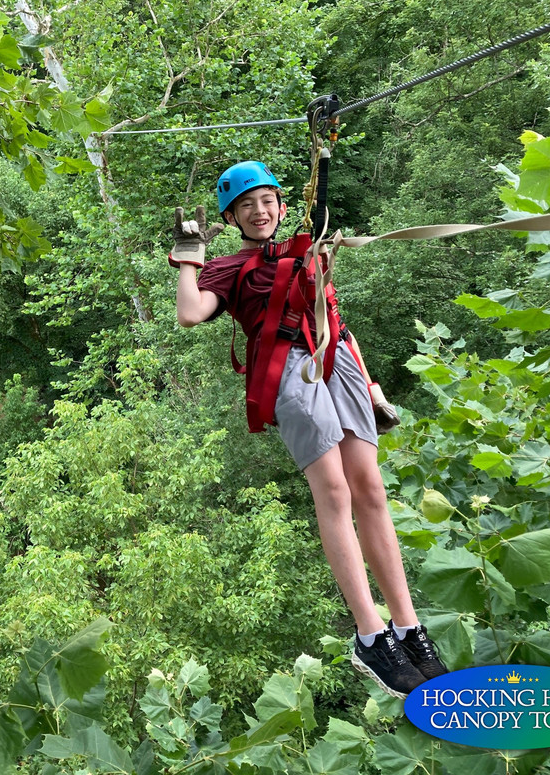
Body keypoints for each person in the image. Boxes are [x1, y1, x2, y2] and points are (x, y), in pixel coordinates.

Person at [171, 160, 447, 698]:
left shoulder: (309, 248)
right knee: (335, 489)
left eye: (267, 200)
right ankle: (370, 634)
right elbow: (189, 313)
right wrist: (188, 260)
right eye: (246, 205)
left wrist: (371, 387)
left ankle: (409, 628)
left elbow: (334, 317)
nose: (260, 211)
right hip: (288, 370)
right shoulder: (229, 268)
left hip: (337, 358)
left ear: (279, 203)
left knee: (370, 487)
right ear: (231, 217)